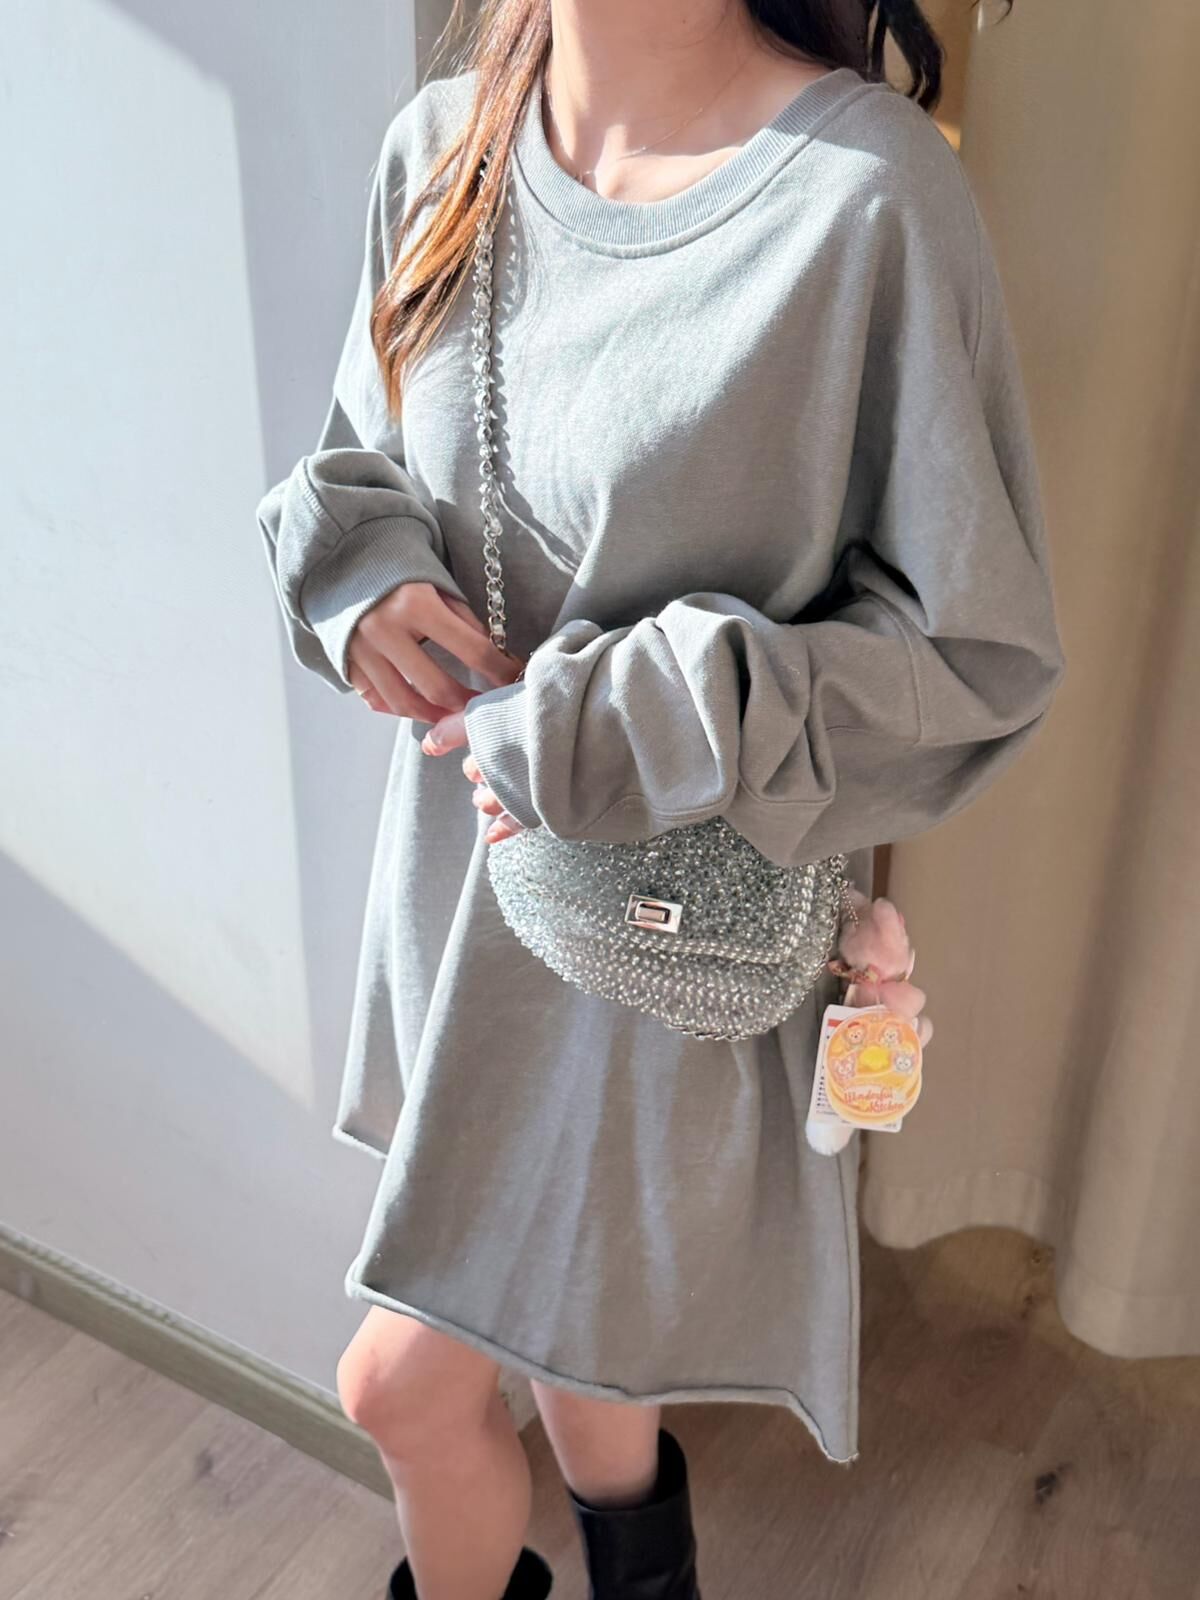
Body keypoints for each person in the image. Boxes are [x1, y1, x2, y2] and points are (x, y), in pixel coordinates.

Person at [255, 0, 1064, 1595]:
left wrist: (642, 710)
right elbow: (365, 461)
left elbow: (975, 654)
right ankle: (648, 1570)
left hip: (660, 945)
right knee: (585, 1345)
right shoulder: (443, 146)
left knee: (401, 1390)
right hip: (462, 902)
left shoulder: (864, 197)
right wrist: (361, 585)